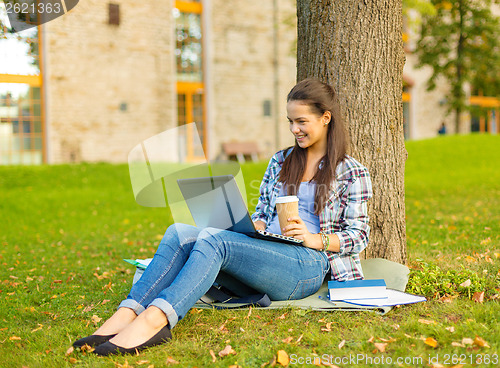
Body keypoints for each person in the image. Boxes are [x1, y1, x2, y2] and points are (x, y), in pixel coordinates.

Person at [73, 78, 373, 356]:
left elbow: (359, 235)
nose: (295, 129)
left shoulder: (351, 171)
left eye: (301, 122)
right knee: (180, 231)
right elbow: (262, 214)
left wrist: (313, 238)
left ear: (325, 118)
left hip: (308, 264)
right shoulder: (281, 161)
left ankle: (157, 319)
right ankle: (128, 312)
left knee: (216, 243)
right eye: (290, 122)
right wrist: (250, 224)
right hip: (268, 248)